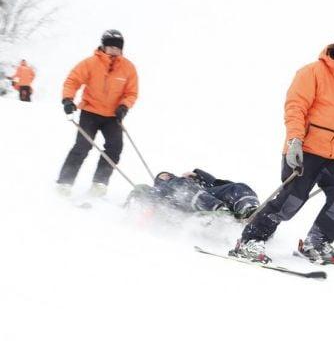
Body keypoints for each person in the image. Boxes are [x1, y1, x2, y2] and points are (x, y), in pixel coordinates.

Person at [230, 28, 334, 265]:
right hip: (305, 150)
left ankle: (316, 242)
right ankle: (250, 240)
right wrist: (295, 140)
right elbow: (296, 108)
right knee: (291, 201)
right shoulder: (312, 73)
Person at [56, 29, 138, 197]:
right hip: (90, 112)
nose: (114, 51)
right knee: (82, 146)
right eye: (111, 47)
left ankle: (100, 182)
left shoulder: (128, 68)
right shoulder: (90, 63)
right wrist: (68, 100)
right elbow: (73, 80)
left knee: (115, 148)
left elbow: (131, 92)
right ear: (103, 47)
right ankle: (64, 182)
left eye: (118, 48)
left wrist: (124, 106)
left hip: (113, 116)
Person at [127, 169, 260, 219]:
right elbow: (145, 193)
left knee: (237, 186)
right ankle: (218, 210)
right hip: (183, 202)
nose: (166, 176)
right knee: (182, 186)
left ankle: (249, 209)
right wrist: (140, 189)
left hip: (205, 194)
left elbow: (215, 183)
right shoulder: (163, 190)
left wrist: (198, 174)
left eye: (168, 174)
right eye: (162, 177)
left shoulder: (193, 182)